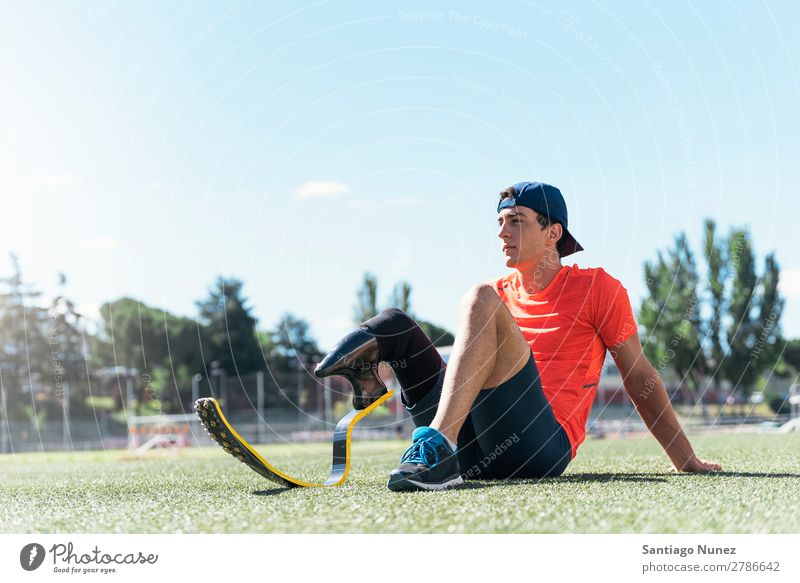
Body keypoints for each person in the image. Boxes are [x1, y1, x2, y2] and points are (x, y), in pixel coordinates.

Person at [315, 181, 722, 492]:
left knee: (479, 298)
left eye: (516, 221)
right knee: (394, 323)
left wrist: (684, 458)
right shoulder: (499, 291)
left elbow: (638, 377)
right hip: (473, 449)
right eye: (500, 222)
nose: (502, 232)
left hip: (537, 449)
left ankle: (435, 446)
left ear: (553, 232)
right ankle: (376, 387)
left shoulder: (598, 288)